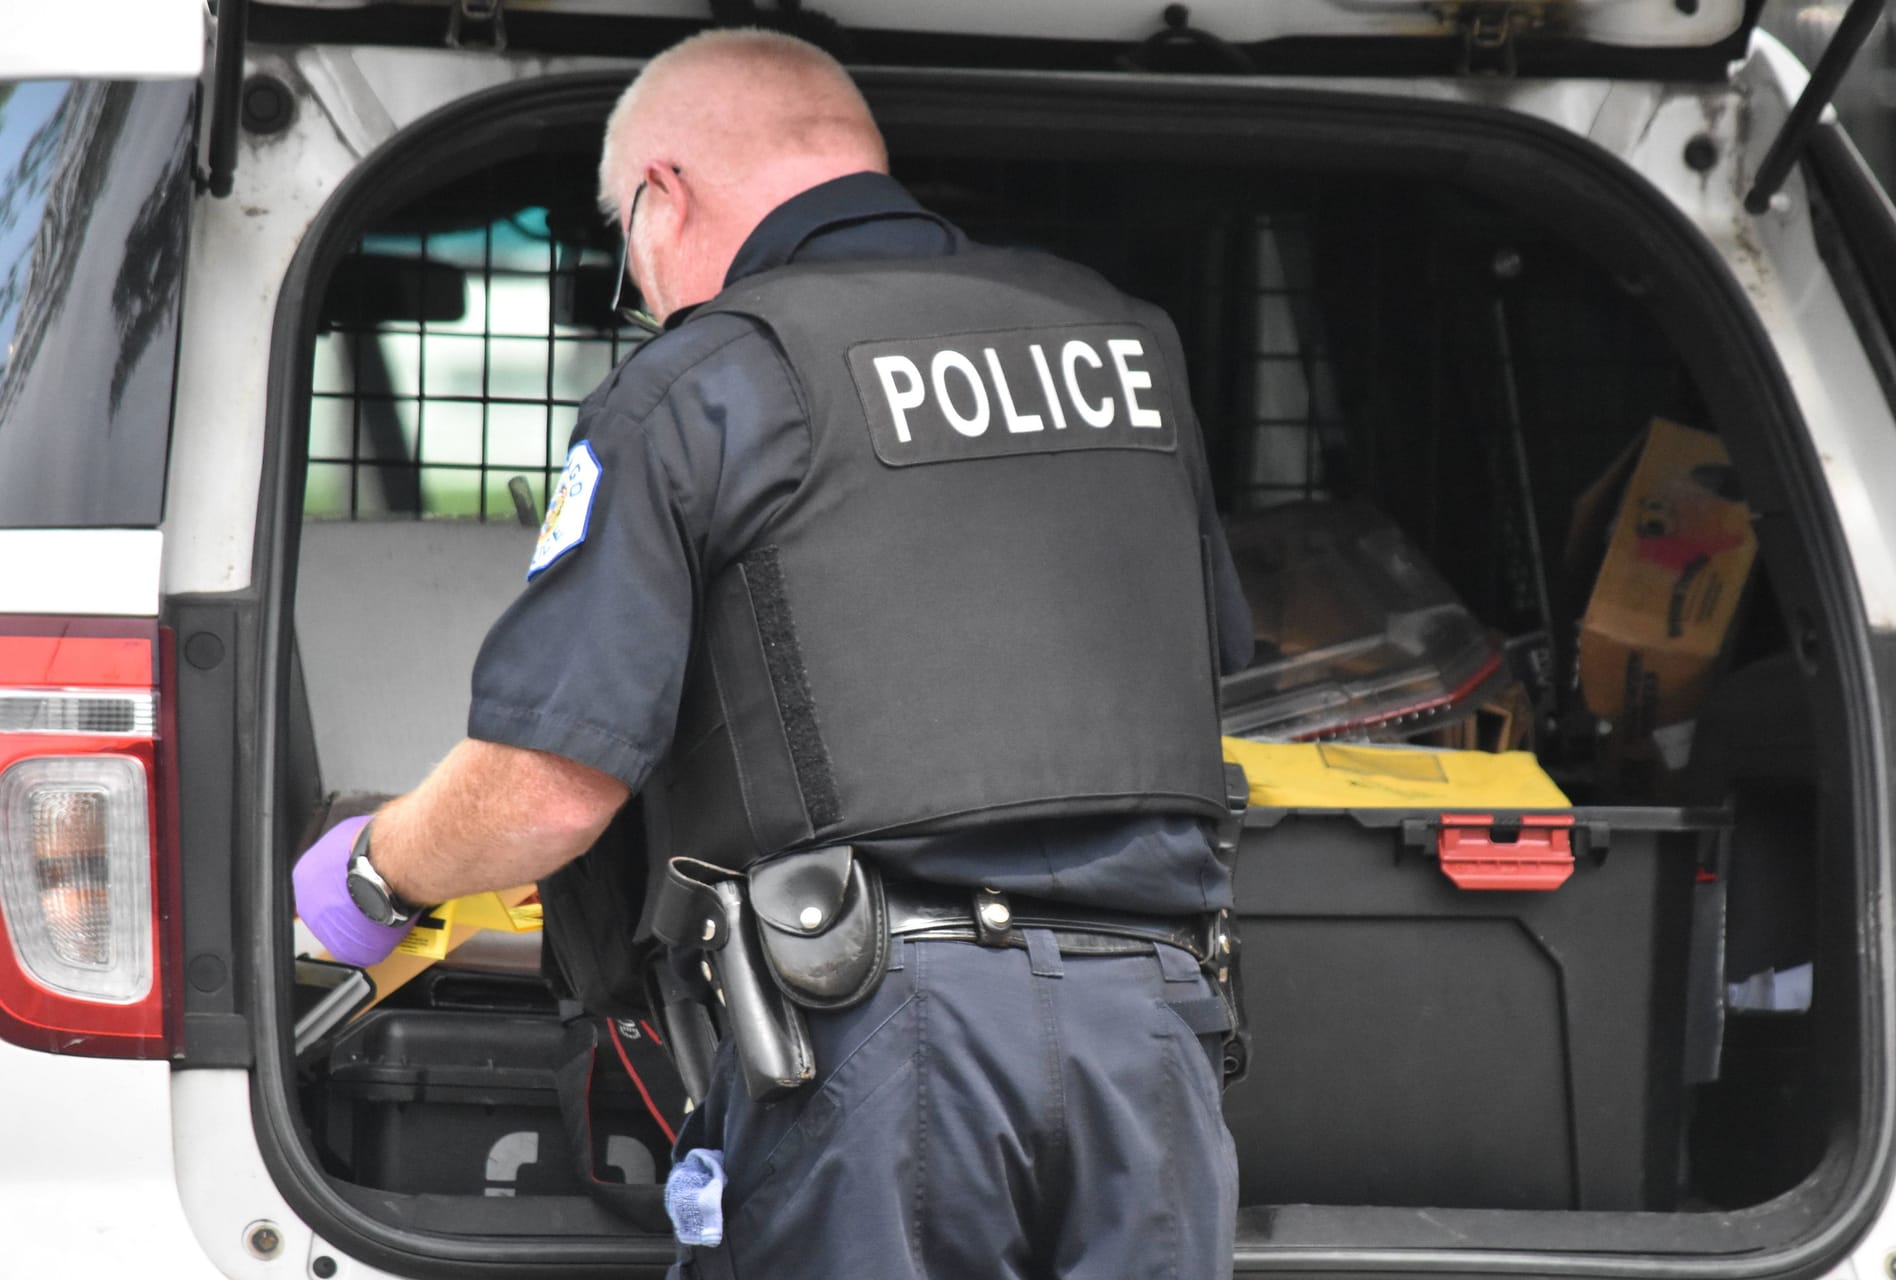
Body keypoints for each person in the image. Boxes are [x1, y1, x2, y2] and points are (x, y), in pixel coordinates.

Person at [292, 27, 1253, 1279]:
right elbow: (1212, 669)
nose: (641, 286)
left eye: (624, 246)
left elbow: (545, 788)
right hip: (1157, 1033)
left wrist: (373, 875)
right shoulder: (1129, 346)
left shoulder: (704, 382)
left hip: (888, 1041)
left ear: (663, 194)